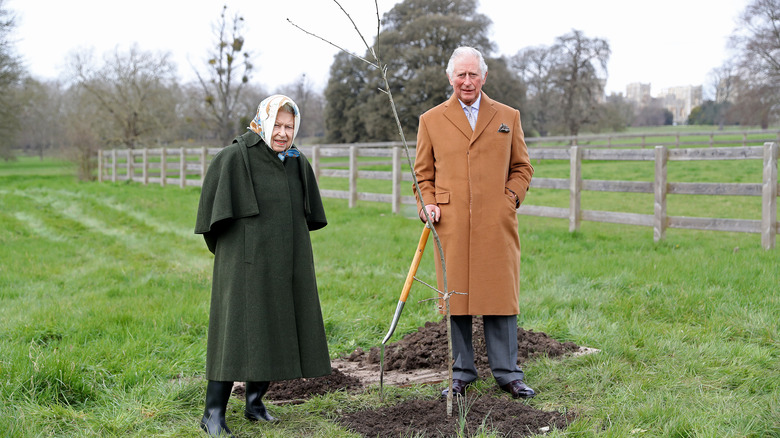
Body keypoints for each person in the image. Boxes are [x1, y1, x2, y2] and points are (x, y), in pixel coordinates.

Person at [194, 95, 331, 437]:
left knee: (273, 325)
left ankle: (255, 403)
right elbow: (212, 223)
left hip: (286, 260)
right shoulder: (233, 158)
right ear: (263, 121)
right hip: (244, 262)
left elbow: (308, 214)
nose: (283, 133)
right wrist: (237, 256)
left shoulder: (296, 162)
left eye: (290, 127)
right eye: (278, 125)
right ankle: (212, 414)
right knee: (234, 332)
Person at [413, 47, 536, 399]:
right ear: (450, 78)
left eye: (473, 75)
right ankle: (461, 373)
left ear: (484, 77)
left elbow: (522, 167)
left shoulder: (507, 116)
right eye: (460, 75)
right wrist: (429, 205)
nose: (467, 81)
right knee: (457, 297)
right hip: (450, 224)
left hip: (496, 222)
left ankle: (508, 373)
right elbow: (422, 175)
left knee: (499, 295)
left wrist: (509, 199)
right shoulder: (431, 120)